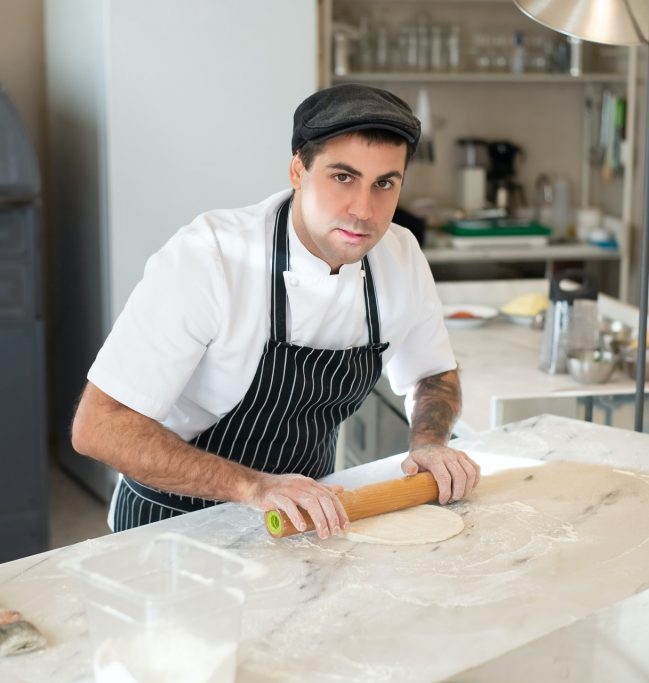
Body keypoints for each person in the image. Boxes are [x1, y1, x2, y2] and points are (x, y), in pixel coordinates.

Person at [71, 84, 480, 537]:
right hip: (171, 528)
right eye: (342, 177)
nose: (363, 210)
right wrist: (254, 487)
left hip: (304, 519)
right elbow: (99, 426)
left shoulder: (400, 257)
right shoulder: (210, 256)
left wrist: (430, 443)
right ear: (298, 171)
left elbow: (434, 374)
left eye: (384, 183)